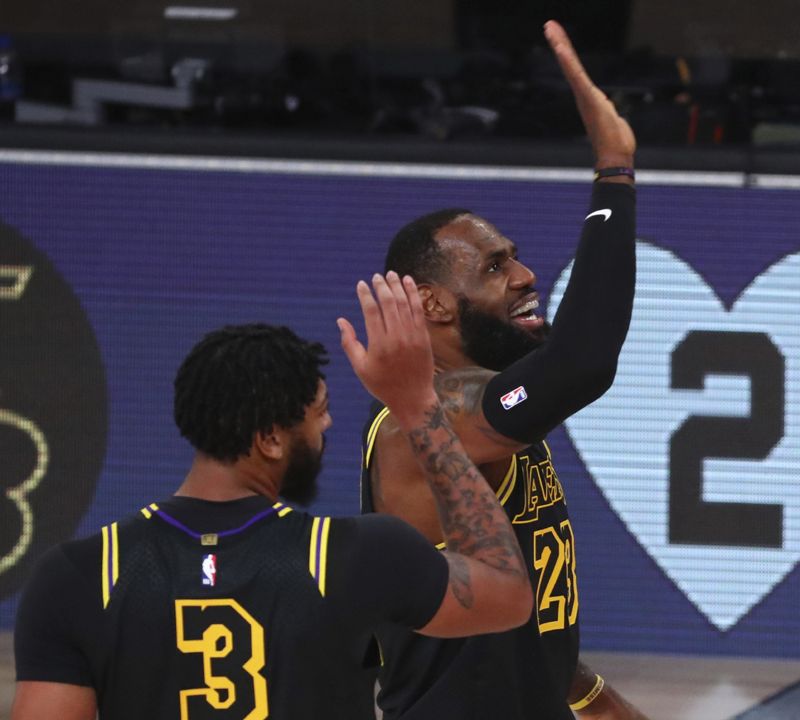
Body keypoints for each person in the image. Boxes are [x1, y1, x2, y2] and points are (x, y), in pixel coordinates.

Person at [11, 272, 532, 720]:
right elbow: (507, 594)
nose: (327, 425)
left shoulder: (78, 575)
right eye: (319, 411)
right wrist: (417, 408)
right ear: (271, 440)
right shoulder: (356, 556)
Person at [359, 20, 646, 720]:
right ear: (432, 302)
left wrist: (590, 697)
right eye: (494, 267)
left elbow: (507, 604)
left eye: (514, 257)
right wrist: (614, 166)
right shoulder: (436, 416)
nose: (524, 276)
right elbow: (581, 363)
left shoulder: (488, 407)